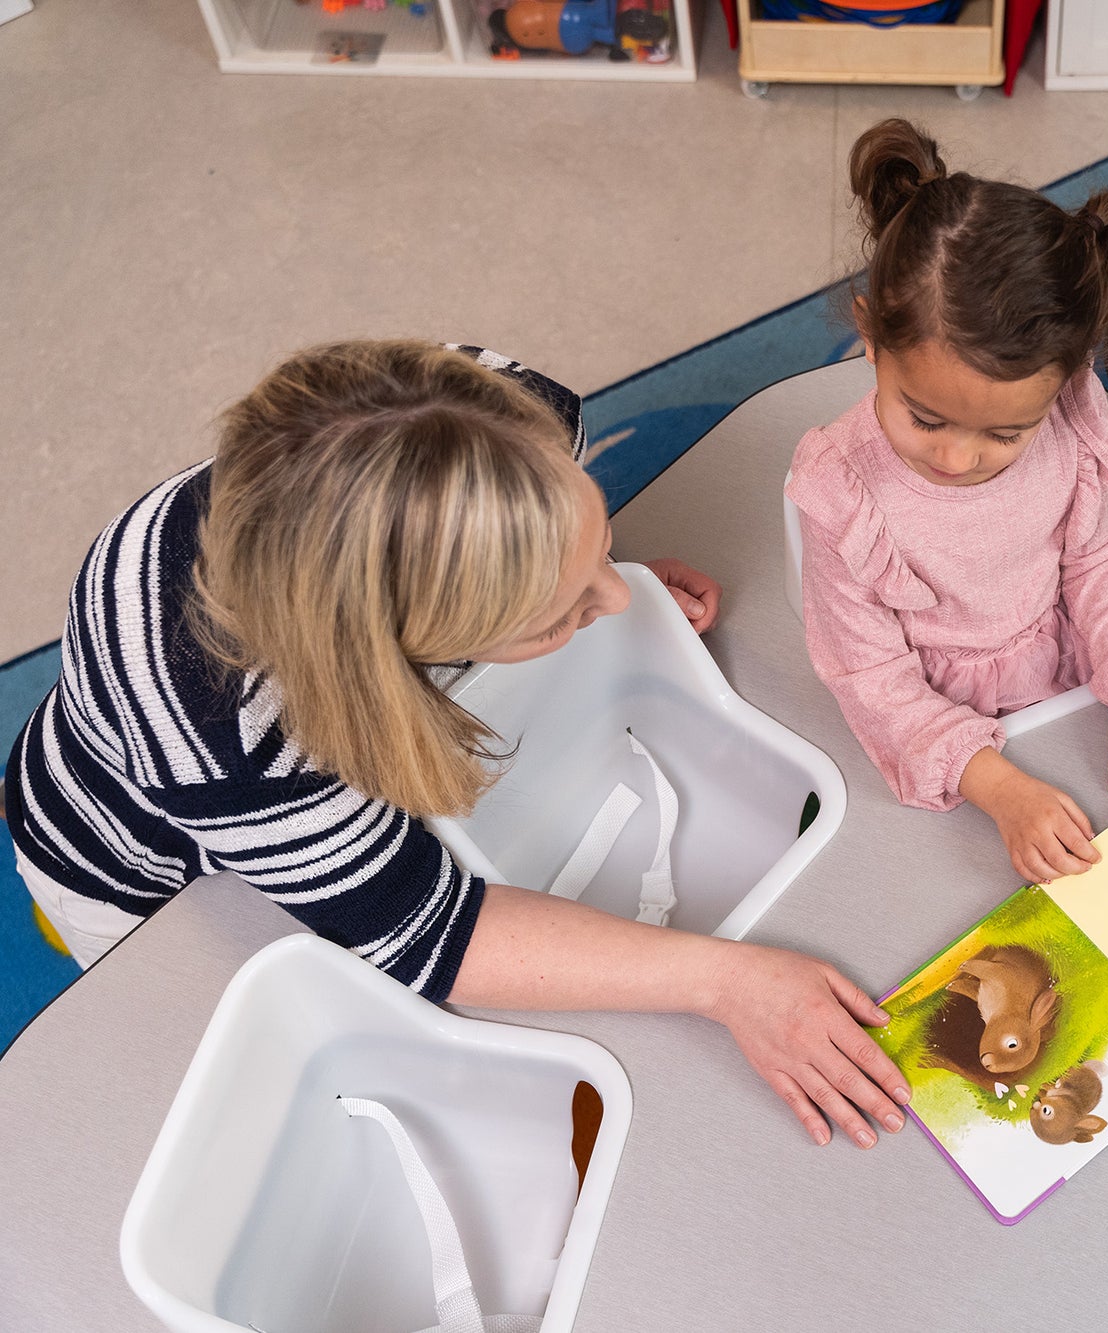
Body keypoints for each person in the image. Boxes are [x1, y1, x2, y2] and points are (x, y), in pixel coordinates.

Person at [3, 340, 908, 1149]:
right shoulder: (226, 734)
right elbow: (434, 934)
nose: (618, 599)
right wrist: (727, 983)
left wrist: (581, 575)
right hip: (143, 870)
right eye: (553, 614)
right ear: (400, 646)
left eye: (591, 536)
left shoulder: (495, 402)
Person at [787, 119, 1108, 887]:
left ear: (1067, 379)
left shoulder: (1071, 417)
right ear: (870, 337)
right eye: (925, 418)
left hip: (1060, 681)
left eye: (1004, 433)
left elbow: (1093, 563)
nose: (958, 460)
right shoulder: (841, 492)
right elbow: (871, 678)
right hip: (938, 739)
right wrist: (998, 787)